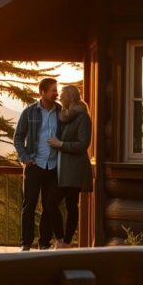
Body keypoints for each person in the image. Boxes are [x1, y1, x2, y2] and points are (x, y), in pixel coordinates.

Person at [14, 77, 63, 251]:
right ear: (42, 92)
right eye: (53, 90)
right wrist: (25, 157)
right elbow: (18, 137)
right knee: (29, 205)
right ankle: (26, 243)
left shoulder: (61, 112)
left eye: (57, 90)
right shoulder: (29, 112)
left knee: (49, 206)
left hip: (54, 167)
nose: (56, 93)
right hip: (35, 165)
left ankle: (44, 243)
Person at [47, 85, 93, 248]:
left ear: (70, 97)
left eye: (62, 95)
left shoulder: (83, 118)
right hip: (62, 169)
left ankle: (66, 242)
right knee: (50, 203)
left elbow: (82, 145)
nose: (60, 98)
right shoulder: (65, 117)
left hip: (74, 169)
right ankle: (61, 239)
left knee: (71, 206)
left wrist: (60, 144)